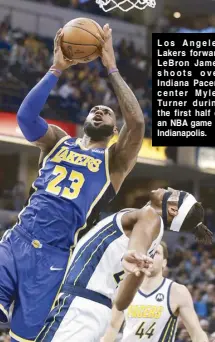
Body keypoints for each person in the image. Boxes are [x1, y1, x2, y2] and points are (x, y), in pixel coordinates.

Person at [0, 24, 145, 342]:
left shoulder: (114, 162)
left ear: (114, 129)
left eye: (107, 112)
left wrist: (111, 67)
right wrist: (56, 69)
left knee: (22, 338)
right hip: (17, 241)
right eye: (95, 109)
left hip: (55, 259)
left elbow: (136, 122)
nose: (100, 110)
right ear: (83, 122)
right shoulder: (57, 141)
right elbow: (25, 118)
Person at [35, 188, 212, 341]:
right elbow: (121, 302)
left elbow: (137, 243)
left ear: (173, 209)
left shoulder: (150, 217)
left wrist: (132, 253)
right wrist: (136, 260)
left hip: (79, 305)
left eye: (174, 193)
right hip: (96, 313)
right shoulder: (152, 242)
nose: (169, 188)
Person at [102, 242, 209, 342]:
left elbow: (196, 333)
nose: (151, 255)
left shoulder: (176, 291)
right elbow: (112, 327)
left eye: (156, 252)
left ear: (164, 262)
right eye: (149, 252)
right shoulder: (126, 289)